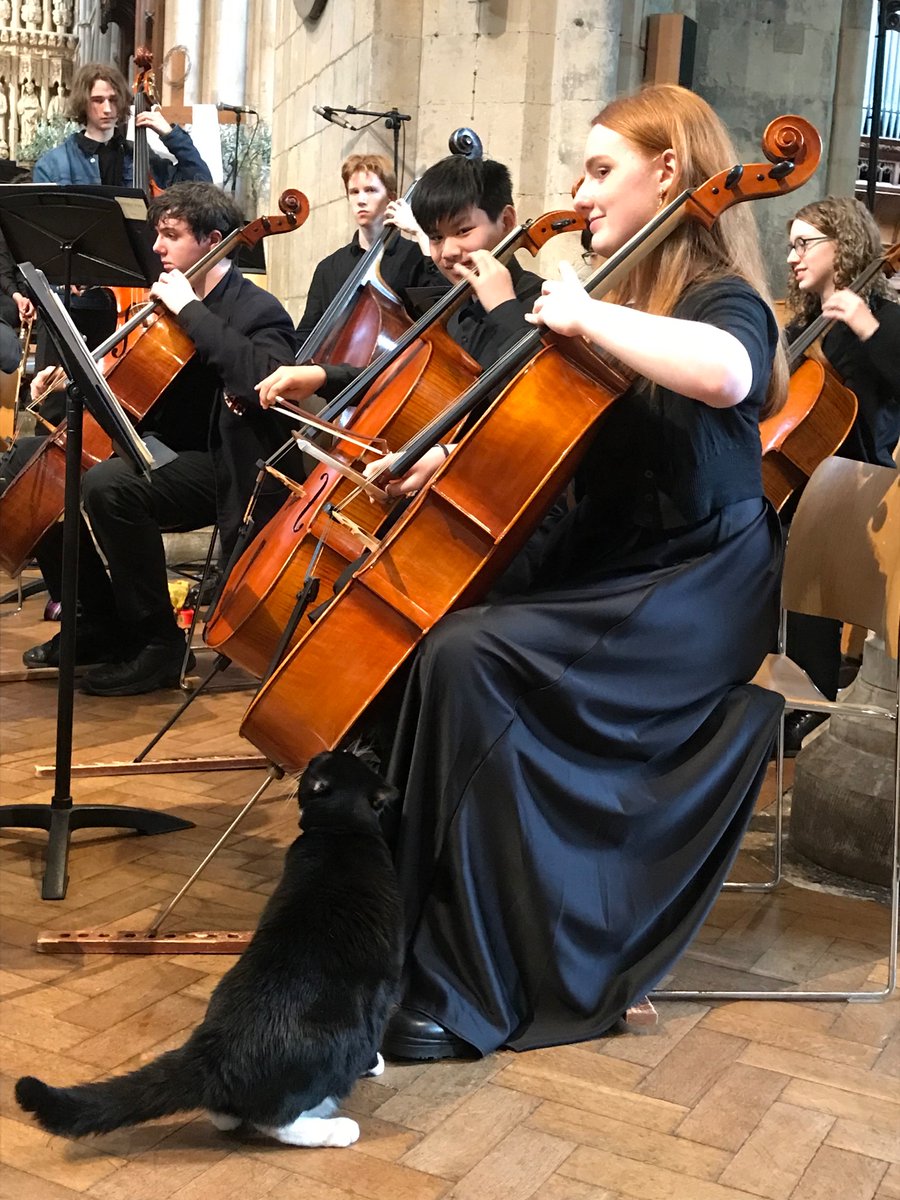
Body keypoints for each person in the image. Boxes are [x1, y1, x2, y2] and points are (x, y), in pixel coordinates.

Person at [367, 84, 786, 1061]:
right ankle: (392, 942)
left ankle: (474, 982)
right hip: (622, 566)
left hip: (694, 590)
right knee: (436, 632)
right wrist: (440, 468)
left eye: (601, 169)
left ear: (669, 173)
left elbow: (729, 374)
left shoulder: (717, 294)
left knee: (472, 659)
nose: (578, 189)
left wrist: (586, 315)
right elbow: (559, 454)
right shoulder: (621, 296)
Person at [19, 182, 297, 695]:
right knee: (31, 461)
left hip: (223, 465)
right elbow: (131, 392)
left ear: (213, 241)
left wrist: (192, 310)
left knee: (110, 486)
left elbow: (264, 380)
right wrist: (68, 386)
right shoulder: (167, 302)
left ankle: (160, 646)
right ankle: (96, 623)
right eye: (156, 235)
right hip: (161, 451)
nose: (156, 248)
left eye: (170, 235)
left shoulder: (258, 309)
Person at [257, 153, 543, 414]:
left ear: (506, 221)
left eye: (463, 230)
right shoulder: (451, 312)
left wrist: (504, 307)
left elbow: (538, 397)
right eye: (436, 238)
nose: (448, 252)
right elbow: (399, 378)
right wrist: (322, 376)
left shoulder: (543, 304)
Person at [780, 195, 900, 752]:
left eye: (804, 244)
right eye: (790, 245)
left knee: (813, 604)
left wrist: (869, 327)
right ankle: (776, 698)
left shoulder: (886, 318)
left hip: (857, 483)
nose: (792, 257)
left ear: (843, 247)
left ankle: (810, 701)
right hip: (802, 476)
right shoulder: (801, 325)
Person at [32, 62, 210, 188]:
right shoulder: (52, 164)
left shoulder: (141, 156)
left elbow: (201, 186)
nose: (108, 109)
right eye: (97, 100)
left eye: (113, 100)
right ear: (83, 103)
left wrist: (171, 135)